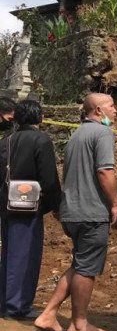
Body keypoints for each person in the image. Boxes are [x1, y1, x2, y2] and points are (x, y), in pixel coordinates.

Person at [34, 93, 117, 331]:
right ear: (98, 111)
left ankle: (49, 313)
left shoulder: (76, 135)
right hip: (91, 211)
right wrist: (115, 202)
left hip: (72, 211)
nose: (115, 110)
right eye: (111, 106)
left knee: (80, 264)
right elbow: (104, 171)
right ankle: (79, 325)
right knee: (87, 269)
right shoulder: (102, 133)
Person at [0, 100, 61, 319]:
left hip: (7, 205)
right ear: (41, 117)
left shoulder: (7, 141)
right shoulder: (41, 140)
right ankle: (17, 307)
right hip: (29, 208)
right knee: (25, 257)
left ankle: (5, 302)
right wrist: (55, 205)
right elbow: (49, 178)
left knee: (9, 254)